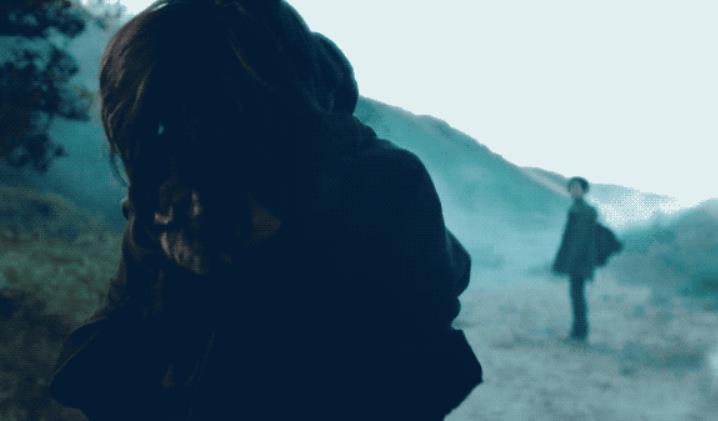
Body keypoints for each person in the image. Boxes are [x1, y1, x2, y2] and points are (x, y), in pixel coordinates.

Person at [48, 1, 482, 420]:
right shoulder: (174, 204)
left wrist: (274, 258)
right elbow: (95, 374)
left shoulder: (379, 184)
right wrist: (177, 276)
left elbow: (422, 361)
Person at [552, 176, 598, 341]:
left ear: (584, 190)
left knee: (577, 296)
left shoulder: (586, 211)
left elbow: (581, 240)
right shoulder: (576, 209)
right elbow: (569, 239)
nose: (574, 190)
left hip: (580, 261)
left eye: (577, 187)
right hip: (577, 260)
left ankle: (579, 332)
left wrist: (571, 262)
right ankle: (578, 331)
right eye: (572, 187)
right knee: (576, 295)